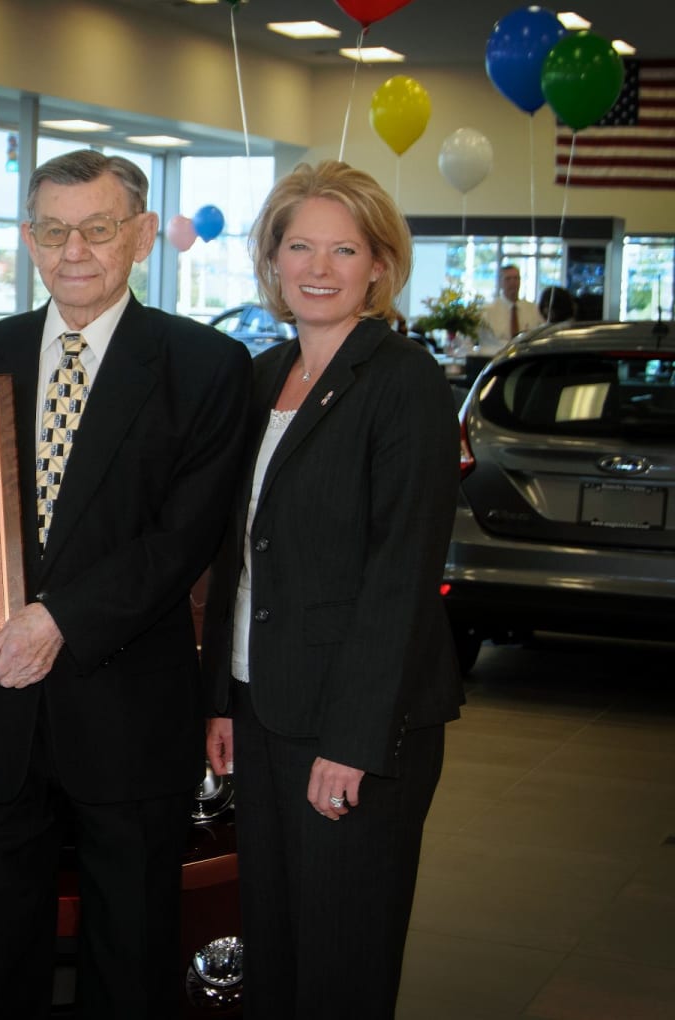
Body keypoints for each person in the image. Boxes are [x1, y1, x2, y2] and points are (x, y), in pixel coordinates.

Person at [0, 150, 252, 1018]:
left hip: (129, 711)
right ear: (29, 239)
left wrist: (58, 619)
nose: (76, 250)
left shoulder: (207, 367)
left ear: (141, 236)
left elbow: (182, 538)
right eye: (56, 230)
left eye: (98, 229)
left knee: (131, 954)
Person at [200, 160, 463, 1019]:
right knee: (273, 951)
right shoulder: (260, 373)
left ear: (379, 264)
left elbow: (402, 575)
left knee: (342, 964)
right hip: (262, 702)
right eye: (299, 245)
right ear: (272, 259)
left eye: (344, 249)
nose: (319, 267)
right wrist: (220, 703)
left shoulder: (405, 382)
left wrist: (352, 741)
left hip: (356, 727)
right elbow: (233, 556)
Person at [479, 263, 544, 353]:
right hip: (496, 359)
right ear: (500, 283)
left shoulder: (533, 309)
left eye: (516, 278)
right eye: (508, 279)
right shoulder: (487, 311)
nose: (513, 283)